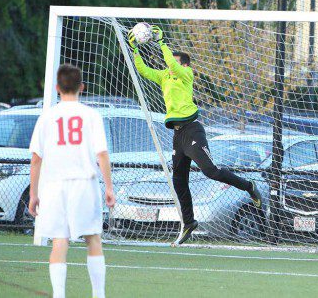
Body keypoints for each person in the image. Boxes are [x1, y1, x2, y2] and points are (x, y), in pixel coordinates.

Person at [128, 26, 262, 245]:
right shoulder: (165, 76)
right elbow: (143, 70)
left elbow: (171, 63)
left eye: (174, 62)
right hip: (178, 135)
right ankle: (189, 222)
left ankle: (249, 187)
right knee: (179, 180)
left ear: (185, 65)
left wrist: (162, 43)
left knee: (210, 171)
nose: (169, 65)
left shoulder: (186, 75)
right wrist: (134, 48)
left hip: (192, 129)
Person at [28, 64, 115, 298]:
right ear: (82, 87)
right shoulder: (91, 115)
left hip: (54, 186)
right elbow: (102, 154)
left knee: (59, 241)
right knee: (93, 239)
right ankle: (99, 295)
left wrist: (33, 194)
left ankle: (59, 295)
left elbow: (36, 159)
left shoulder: (47, 116)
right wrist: (109, 187)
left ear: (57, 88)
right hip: (84, 185)